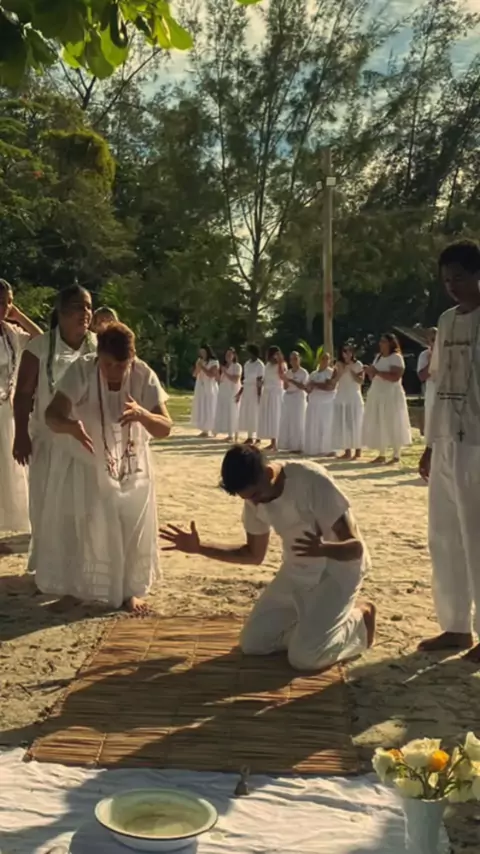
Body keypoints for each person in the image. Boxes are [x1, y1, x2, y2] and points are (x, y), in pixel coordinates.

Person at [160, 445, 375, 671]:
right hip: (298, 570)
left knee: (305, 659)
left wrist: (323, 549)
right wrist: (200, 548)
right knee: (254, 644)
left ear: (267, 473)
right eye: (247, 499)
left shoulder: (311, 480)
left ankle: (360, 617)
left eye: (255, 495)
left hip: (338, 570)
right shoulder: (253, 499)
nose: (255, 503)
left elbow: (355, 549)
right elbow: (253, 555)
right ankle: (312, 631)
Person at [36, 322, 171, 613]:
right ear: (99, 357)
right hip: (85, 460)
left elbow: (165, 428)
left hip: (131, 464)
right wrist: (71, 426)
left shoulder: (143, 373)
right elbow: (51, 415)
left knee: (130, 525)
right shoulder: (82, 369)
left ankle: (129, 592)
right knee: (81, 524)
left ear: (131, 358)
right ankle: (75, 590)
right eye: (108, 364)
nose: (114, 371)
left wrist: (143, 414)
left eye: (121, 365)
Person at [418, 240, 480, 662]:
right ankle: (456, 626)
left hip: (477, 443)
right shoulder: (445, 320)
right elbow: (438, 384)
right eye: (446, 280)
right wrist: (428, 444)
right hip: (445, 442)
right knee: (444, 535)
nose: (452, 286)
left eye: (459, 277)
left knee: (477, 537)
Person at [13, 286, 97, 572]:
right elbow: (23, 395)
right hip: (48, 439)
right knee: (48, 504)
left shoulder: (100, 345)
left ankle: (83, 564)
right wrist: (20, 434)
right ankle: (50, 565)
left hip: (88, 441)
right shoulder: (38, 347)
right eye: (77, 306)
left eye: (88, 306)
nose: (85, 313)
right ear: (60, 312)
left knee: (86, 505)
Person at [0, 279, 41, 534]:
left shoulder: (11, 333)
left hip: (7, 411)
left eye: (8, 302)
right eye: (0, 302)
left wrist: (19, 316)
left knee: (7, 470)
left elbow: (41, 339)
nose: (4, 307)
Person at [362, 333, 411, 464]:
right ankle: (382, 453)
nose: (381, 344)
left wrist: (377, 372)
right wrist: (370, 371)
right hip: (378, 393)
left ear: (390, 343)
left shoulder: (396, 357)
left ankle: (396, 454)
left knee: (393, 421)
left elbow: (396, 376)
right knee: (380, 421)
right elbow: (373, 376)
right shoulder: (378, 357)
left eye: (384, 341)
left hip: (391, 394)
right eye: (381, 341)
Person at [331, 343, 364, 460]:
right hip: (342, 396)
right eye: (344, 351)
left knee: (355, 423)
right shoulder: (338, 365)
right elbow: (333, 382)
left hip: (353, 396)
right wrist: (340, 372)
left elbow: (361, 381)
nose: (347, 354)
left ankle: (358, 451)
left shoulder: (358, 364)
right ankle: (347, 451)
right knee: (344, 424)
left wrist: (351, 370)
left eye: (349, 351)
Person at [304, 352, 336, 457]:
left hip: (326, 403)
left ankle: (327, 449)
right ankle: (314, 448)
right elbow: (307, 388)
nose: (324, 361)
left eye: (327, 359)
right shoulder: (313, 374)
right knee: (313, 426)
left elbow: (330, 387)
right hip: (314, 403)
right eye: (323, 358)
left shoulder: (331, 373)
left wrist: (316, 384)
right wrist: (310, 387)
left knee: (325, 425)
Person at [278, 351, 308, 453]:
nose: (294, 361)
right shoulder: (288, 372)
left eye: (296, 358)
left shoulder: (303, 372)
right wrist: (285, 380)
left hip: (298, 397)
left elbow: (303, 386)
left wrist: (291, 381)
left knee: (297, 421)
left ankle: (298, 446)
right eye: (292, 359)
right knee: (288, 421)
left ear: (299, 359)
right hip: (288, 397)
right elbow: (285, 387)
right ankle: (288, 445)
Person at [258, 345, 287, 452]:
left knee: (275, 416)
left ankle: (276, 443)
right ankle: (272, 442)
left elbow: (282, 376)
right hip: (267, 392)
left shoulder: (282, 364)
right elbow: (265, 378)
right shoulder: (267, 365)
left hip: (276, 393)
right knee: (269, 417)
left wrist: (279, 362)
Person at [237, 344, 264, 444]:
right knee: (248, 413)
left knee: (255, 413)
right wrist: (240, 393)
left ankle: (258, 436)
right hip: (247, 390)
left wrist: (259, 394)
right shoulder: (247, 364)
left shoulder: (259, 365)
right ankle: (250, 436)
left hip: (254, 390)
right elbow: (245, 380)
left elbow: (259, 380)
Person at [214, 348, 242, 441]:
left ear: (234, 355)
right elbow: (219, 380)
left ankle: (233, 434)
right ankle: (225, 432)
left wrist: (225, 372)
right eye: (227, 355)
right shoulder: (224, 366)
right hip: (223, 391)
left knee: (233, 412)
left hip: (232, 392)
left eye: (230, 354)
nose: (228, 356)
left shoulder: (237, 366)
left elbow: (235, 379)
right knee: (224, 412)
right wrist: (218, 373)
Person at [191, 344, 219, 438]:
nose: (202, 354)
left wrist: (202, 367)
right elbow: (195, 374)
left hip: (210, 386)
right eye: (201, 352)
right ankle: (204, 429)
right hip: (200, 386)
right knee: (202, 406)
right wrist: (198, 367)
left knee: (210, 407)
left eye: (204, 352)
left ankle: (214, 428)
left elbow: (211, 374)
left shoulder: (214, 362)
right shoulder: (199, 361)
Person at [417, 327, 437, 441]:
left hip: (447, 388)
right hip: (431, 388)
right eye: (432, 339)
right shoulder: (424, 355)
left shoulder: (448, 353)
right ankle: (430, 444)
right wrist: (431, 361)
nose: (435, 342)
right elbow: (422, 377)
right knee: (431, 415)